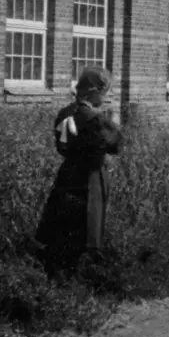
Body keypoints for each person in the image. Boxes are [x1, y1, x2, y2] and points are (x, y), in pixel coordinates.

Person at [35, 66, 123, 276]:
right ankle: (79, 279)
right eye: (104, 93)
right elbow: (115, 145)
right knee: (86, 228)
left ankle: (55, 273)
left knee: (62, 225)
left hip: (67, 174)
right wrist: (115, 123)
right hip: (90, 178)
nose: (105, 97)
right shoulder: (97, 119)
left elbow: (61, 145)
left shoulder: (64, 113)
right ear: (93, 92)